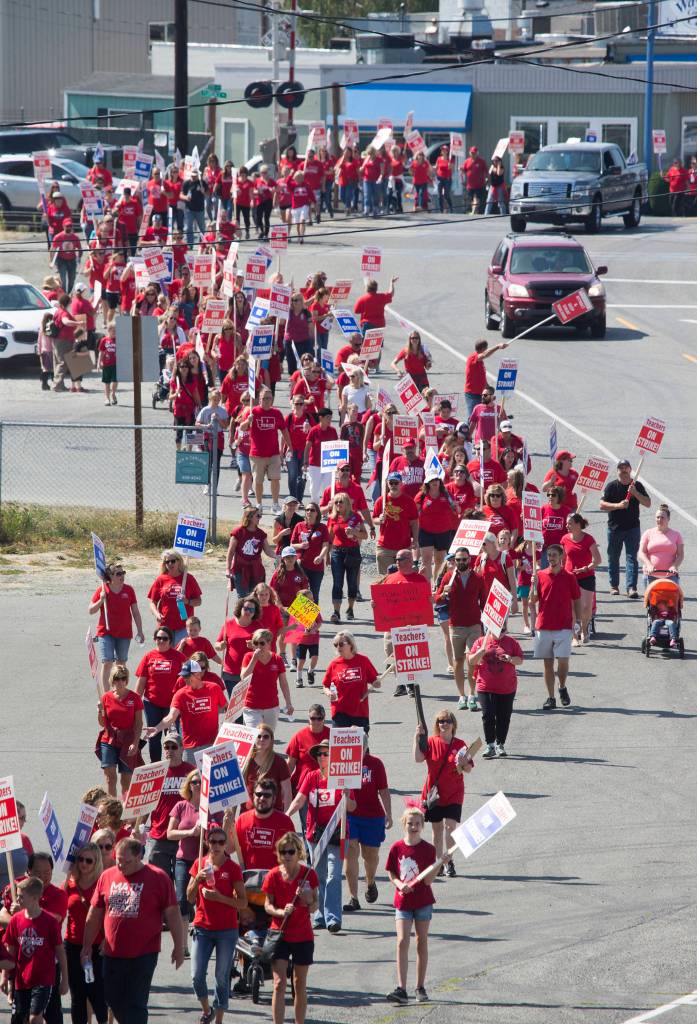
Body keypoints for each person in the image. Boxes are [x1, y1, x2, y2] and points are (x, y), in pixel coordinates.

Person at [81, 837, 184, 1024]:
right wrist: (86, 945)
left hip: (144, 953)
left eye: (126, 861)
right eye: (118, 860)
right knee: (112, 998)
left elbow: (173, 913)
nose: (121, 865)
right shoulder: (107, 876)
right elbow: (94, 914)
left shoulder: (158, 877)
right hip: (113, 952)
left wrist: (179, 946)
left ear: (139, 857)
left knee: (136, 1002)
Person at [287, 742, 356, 933]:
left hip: (338, 833)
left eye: (326, 754)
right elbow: (300, 799)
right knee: (318, 875)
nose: (322, 757)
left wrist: (346, 796)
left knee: (333, 875)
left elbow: (352, 807)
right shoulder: (311, 777)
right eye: (319, 754)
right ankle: (320, 915)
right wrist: (286, 815)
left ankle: (333, 917)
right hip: (315, 834)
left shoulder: (343, 779)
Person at [187, 823, 247, 1024]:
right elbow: (188, 898)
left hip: (226, 930)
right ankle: (207, 1010)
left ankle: (219, 1019)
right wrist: (197, 879)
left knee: (221, 976)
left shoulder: (233, 868)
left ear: (226, 844)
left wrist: (220, 898)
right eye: (213, 841)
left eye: (221, 842)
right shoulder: (199, 864)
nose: (216, 845)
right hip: (203, 926)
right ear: (207, 842)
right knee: (196, 975)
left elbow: (243, 902)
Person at [384, 803, 441, 1005]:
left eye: (417, 823)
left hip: (423, 901)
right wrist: (399, 884)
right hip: (403, 901)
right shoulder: (396, 848)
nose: (414, 826)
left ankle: (420, 987)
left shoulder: (428, 849)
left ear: (422, 825)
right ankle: (401, 988)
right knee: (401, 941)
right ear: (404, 824)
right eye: (410, 823)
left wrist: (439, 864)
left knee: (421, 941)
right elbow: (391, 872)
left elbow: (427, 880)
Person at [262, 833, 319, 1024]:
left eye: (291, 851)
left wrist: (307, 896)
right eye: (283, 851)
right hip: (280, 934)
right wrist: (280, 912)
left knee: (299, 983)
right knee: (279, 984)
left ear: (298, 852)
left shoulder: (308, 874)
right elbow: (267, 905)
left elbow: (314, 906)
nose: (286, 855)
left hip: (303, 934)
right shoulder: (272, 875)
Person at [414, 712, 473, 875]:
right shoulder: (431, 742)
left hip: (454, 793)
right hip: (434, 794)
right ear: (437, 724)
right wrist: (416, 738)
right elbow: (418, 758)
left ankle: (450, 861)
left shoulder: (460, 744)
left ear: (453, 724)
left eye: (447, 721)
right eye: (440, 721)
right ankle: (439, 862)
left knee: (451, 828)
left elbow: (468, 769)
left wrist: (463, 763)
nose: (444, 724)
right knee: (437, 829)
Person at [3, 876, 69, 1024]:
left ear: (34, 898)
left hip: (44, 980)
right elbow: (11, 950)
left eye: (21, 896)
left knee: (35, 1018)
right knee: (19, 1019)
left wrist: (65, 979)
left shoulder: (50, 922)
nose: (17, 899)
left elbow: (60, 952)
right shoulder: (16, 920)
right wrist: (5, 977)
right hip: (22, 979)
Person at [433, 547, 486, 711]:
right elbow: (437, 600)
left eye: (464, 559)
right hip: (455, 625)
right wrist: (443, 594)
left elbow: (484, 602)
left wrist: (492, 622)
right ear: (454, 561)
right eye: (458, 560)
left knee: (472, 660)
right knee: (458, 661)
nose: (461, 562)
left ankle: (472, 694)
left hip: (474, 625)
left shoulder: (477, 578)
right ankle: (461, 695)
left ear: (469, 560)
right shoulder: (449, 577)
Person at [344, 733, 392, 912]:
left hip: (373, 816)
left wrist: (389, 813)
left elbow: (384, 791)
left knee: (370, 855)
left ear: (365, 745)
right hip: (350, 815)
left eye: (361, 744)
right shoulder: (344, 763)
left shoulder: (375, 764)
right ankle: (353, 897)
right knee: (351, 852)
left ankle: (370, 881)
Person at [532, 543, 582, 710]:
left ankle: (562, 686)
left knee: (563, 661)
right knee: (547, 663)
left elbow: (576, 600)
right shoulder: (539, 575)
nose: (551, 558)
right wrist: (533, 585)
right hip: (544, 625)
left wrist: (579, 622)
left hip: (564, 626)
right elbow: (532, 601)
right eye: (549, 555)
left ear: (561, 557)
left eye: (554, 555)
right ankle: (551, 697)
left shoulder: (569, 577)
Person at [63, 841, 108, 1024]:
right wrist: (67, 877)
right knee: (78, 995)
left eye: (89, 861)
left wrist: (107, 939)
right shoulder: (70, 884)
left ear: (96, 862)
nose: (83, 864)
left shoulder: (102, 883)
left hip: (97, 946)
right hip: (72, 944)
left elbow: (110, 913)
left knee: (97, 993)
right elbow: (57, 905)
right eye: (80, 859)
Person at [151, 659, 227, 763]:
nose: (184, 679)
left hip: (212, 745)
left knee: (210, 778)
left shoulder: (214, 688)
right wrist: (157, 728)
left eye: (187, 676)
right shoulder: (180, 694)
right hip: (190, 748)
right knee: (191, 778)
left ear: (198, 674)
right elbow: (171, 716)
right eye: (183, 676)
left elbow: (226, 707)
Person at [88, 560, 143, 693]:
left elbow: (135, 612)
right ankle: (107, 694)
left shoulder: (129, 590)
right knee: (107, 662)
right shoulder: (102, 589)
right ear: (110, 576)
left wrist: (140, 631)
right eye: (118, 574)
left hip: (124, 633)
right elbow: (90, 610)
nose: (122, 576)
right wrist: (101, 600)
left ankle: (120, 690)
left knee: (121, 664)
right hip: (106, 632)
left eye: (123, 573)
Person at [469, 628, 524, 758]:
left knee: (503, 717)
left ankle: (500, 744)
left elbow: (520, 660)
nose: (500, 633)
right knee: (488, 715)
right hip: (485, 686)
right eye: (497, 630)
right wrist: (479, 653)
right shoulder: (481, 641)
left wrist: (510, 659)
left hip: (507, 687)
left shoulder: (512, 642)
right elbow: (471, 661)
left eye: (503, 630)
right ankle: (490, 745)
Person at [599, 459, 651, 598]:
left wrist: (636, 493)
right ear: (617, 471)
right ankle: (614, 585)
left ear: (630, 469)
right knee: (613, 557)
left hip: (632, 528)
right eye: (620, 468)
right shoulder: (611, 486)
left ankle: (631, 587)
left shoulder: (636, 485)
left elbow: (648, 503)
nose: (623, 470)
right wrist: (618, 506)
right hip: (615, 528)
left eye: (625, 468)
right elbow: (602, 505)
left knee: (631, 558)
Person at [135, 627, 186, 763]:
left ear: (170, 641)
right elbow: (141, 681)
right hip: (151, 703)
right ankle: (156, 766)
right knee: (154, 735)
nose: (161, 641)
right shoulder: (148, 656)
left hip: (172, 705)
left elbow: (188, 678)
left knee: (173, 737)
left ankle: (175, 765)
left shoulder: (178, 656)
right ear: (155, 640)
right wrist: (135, 702)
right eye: (159, 638)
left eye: (165, 638)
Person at [146, 732, 191, 880]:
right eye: (166, 747)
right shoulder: (156, 771)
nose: (170, 750)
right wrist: (136, 827)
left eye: (174, 746)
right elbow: (146, 802)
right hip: (159, 834)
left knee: (181, 885)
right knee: (158, 882)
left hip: (183, 836)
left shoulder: (191, 771)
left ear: (182, 749)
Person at [97, 665, 143, 797]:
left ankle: (125, 812)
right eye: (117, 678)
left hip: (128, 740)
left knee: (126, 781)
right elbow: (102, 723)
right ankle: (113, 811)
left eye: (123, 678)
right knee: (110, 779)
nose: (120, 682)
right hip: (109, 739)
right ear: (112, 680)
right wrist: (100, 711)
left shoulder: (134, 698)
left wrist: (135, 742)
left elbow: (138, 723)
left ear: (127, 680)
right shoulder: (106, 698)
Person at [322, 631, 379, 730]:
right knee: (341, 744)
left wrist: (376, 683)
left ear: (351, 644)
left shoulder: (363, 661)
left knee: (361, 743)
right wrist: (328, 693)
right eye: (336, 645)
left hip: (360, 711)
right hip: (340, 711)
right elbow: (325, 685)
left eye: (341, 644)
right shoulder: (334, 664)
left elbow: (375, 681)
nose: (338, 647)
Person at [240, 628, 294, 730]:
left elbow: (284, 683)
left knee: (267, 738)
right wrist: (254, 659)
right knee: (255, 738)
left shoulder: (277, 659)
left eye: (262, 643)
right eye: (255, 643)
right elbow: (243, 677)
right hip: (251, 706)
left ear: (269, 643)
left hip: (271, 706)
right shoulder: (248, 657)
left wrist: (288, 703)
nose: (258, 646)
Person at [248, 388, 292, 514]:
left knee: (275, 478)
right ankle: (259, 504)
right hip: (257, 454)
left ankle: (275, 504)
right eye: (264, 398)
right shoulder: (253, 412)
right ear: (259, 399)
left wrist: (290, 446)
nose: (267, 401)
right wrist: (248, 421)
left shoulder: (276, 413)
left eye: (269, 398)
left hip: (273, 453)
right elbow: (242, 427)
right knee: (258, 480)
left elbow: (284, 430)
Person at [327, 492, 368, 624]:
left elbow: (365, 535)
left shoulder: (355, 517)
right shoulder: (332, 517)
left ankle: (350, 608)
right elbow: (329, 538)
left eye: (341, 502)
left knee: (352, 582)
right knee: (337, 582)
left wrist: (355, 532)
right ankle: (336, 612)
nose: (338, 504)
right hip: (337, 552)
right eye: (336, 502)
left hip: (352, 552)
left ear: (347, 504)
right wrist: (327, 554)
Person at [235, 778, 294, 869]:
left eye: (267, 795)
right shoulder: (242, 820)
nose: (262, 798)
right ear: (253, 796)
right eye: (258, 794)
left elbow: (294, 855)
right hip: (249, 879)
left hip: (276, 879)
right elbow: (229, 849)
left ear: (274, 798)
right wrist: (227, 824)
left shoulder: (285, 822)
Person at [561, 513, 601, 644]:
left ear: (578, 525)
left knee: (585, 607)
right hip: (569, 577)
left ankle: (584, 629)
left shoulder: (589, 539)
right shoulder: (565, 539)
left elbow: (597, 560)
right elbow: (563, 559)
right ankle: (574, 635)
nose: (567, 526)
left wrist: (585, 568)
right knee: (571, 608)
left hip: (586, 577)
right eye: (567, 523)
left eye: (570, 523)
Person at [148, 549, 202, 645]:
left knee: (181, 655)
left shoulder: (188, 578)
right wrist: (157, 614)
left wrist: (187, 601)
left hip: (184, 626)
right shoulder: (161, 579)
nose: (170, 564)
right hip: (165, 625)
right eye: (167, 562)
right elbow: (152, 602)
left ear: (179, 561)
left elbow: (198, 601)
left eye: (173, 561)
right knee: (166, 654)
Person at [372, 472, 419, 574]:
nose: (393, 485)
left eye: (396, 483)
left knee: (404, 578)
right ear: (387, 484)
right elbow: (374, 519)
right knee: (385, 580)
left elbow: (414, 522)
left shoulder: (409, 501)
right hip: (385, 546)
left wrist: (415, 540)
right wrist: (379, 520)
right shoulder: (381, 501)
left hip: (404, 546)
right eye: (391, 483)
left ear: (401, 484)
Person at [415, 477, 459, 584]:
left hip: (443, 532)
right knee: (426, 561)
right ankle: (426, 588)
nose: (435, 483)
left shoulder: (447, 494)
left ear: (440, 482)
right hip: (426, 531)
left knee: (439, 561)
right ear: (428, 483)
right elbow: (414, 512)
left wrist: (455, 506)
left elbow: (457, 510)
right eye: (432, 481)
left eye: (437, 480)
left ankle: (436, 585)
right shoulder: (422, 495)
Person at [216, 595, 261, 696]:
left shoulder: (258, 626)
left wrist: (255, 647)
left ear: (255, 612)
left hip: (250, 671)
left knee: (248, 705)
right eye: (246, 608)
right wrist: (221, 646)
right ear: (240, 608)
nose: (248, 612)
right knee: (235, 707)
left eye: (252, 610)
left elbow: (265, 647)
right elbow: (217, 645)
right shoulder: (228, 624)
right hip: (230, 672)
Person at [226, 506, 275, 598]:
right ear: (250, 517)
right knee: (243, 597)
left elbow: (268, 550)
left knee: (256, 597)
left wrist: (277, 556)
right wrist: (228, 569)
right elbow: (231, 551)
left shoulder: (261, 534)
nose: (260, 518)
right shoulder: (238, 532)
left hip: (256, 569)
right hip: (240, 569)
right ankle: (242, 612)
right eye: (258, 516)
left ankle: (255, 612)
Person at [242, 725, 292, 811]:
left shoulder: (279, 762)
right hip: (248, 814)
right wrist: (232, 814)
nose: (262, 739)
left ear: (271, 740)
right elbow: (238, 791)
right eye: (259, 736)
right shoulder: (245, 760)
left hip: (272, 814)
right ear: (253, 738)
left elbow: (287, 792)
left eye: (266, 737)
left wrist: (286, 817)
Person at [291, 503, 330, 604]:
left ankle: (313, 619)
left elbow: (326, 545)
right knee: (301, 592)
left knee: (314, 593)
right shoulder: (299, 526)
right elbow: (292, 544)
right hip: (301, 565)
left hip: (316, 567)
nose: (309, 512)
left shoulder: (322, 527)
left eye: (312, 510)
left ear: (317, 513)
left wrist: (321, 557)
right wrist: (301, 546)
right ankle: (301, 618)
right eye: (307, 510)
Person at [639, 503, 684, 587]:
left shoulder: (676, 535)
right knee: (652, 600)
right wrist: (648, 564)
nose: (659, 519)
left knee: (672, 600)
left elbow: (680, 555)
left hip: (670, 576)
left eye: (662, 517)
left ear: (668, 519)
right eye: (657, 517)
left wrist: (674, 566)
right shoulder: (648, 533)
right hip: (651, 575)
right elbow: (641, 553)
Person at [464, 339, 509, 418]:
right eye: (486, 348)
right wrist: (497, 347)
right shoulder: (473, 357)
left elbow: (480, 376)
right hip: (472, 393)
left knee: (482, 416)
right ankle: (467, 430)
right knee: (472, 418)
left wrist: (488, 387)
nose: (487, 349)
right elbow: (484, 354)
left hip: (481, 393)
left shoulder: (480, 362)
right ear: (482, 349)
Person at [462, 145, 488, 214]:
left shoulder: (481, 161)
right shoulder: (467, 161)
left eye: (474, 153)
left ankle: (477, 212)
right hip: (470, 185)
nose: (473, 154)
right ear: (469, 153)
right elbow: (464, 171)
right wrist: (462, 172)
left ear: (477, 153)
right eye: (472, 153)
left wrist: (487, 180)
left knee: (478, 199)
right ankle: (472, 211)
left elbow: (486, 171)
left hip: (479, 185)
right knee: (470, 199)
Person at [435, 144, 455, 213]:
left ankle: (451, 207)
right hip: (440, 178)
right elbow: (436, 168)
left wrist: (450, 166)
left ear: (447, 151)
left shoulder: (450, 160)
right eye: (442, 150)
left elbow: (453, 170)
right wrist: (432, 169)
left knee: (446, 194)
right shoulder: (439, 159)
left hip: (447, 179)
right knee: (439, 195)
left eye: (445, 150)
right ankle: (441, 210)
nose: (443, 151)